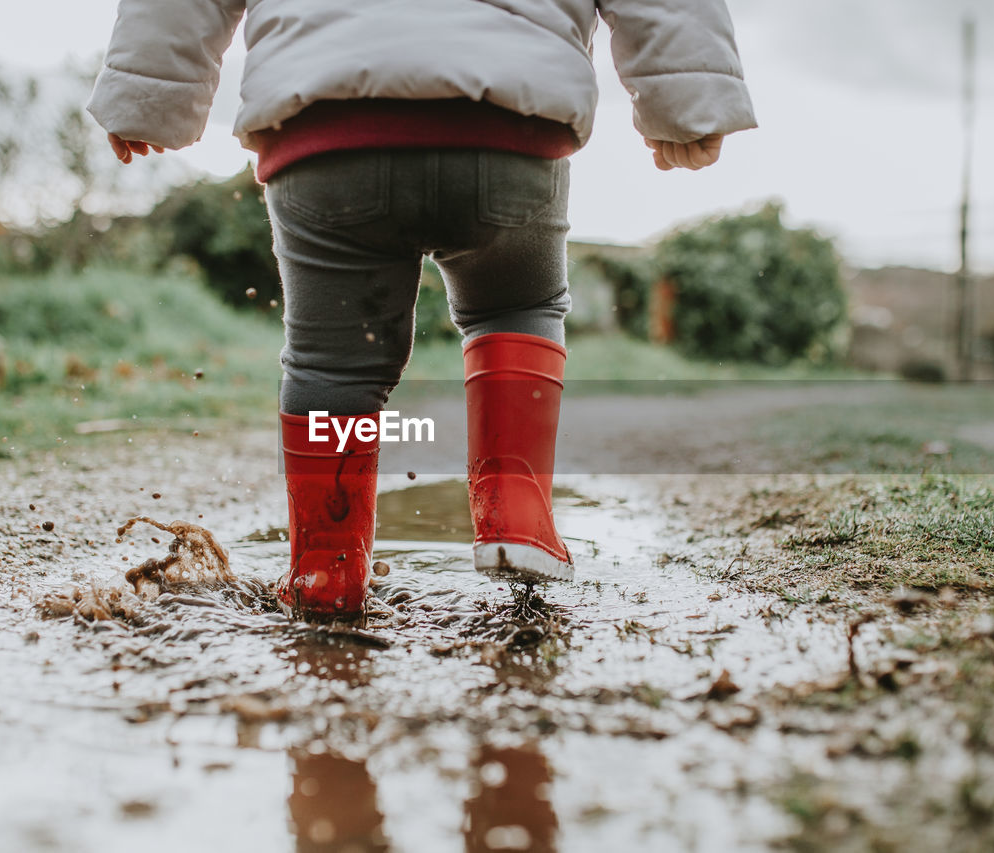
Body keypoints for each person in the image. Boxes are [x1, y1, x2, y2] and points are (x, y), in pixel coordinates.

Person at [89, 0, 756, 621]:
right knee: (517, 305)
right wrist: (688, 101)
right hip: (510, 122)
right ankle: (516, 515)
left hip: (324, 124)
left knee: (332, 359)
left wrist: (147, 93)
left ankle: (327, 565)